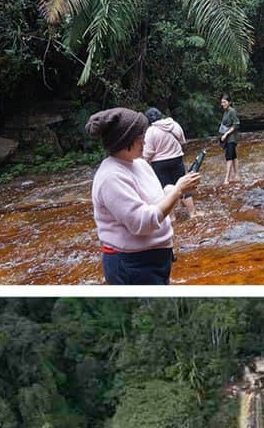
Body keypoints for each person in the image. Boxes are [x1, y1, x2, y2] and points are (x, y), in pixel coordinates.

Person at [87, 107, 201, 285]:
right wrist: (178, 191)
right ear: (124, 141)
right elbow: (142, 223)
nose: (145, 142)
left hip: (153, 258)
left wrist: (177, 188)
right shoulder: (111, 177)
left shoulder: (139, 164)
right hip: (132, 263)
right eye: (140, 138)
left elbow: (156, 200)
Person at [142, 107, 198, 218]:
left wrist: (145, 162)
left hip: (159, 164)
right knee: (184, 186)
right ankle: (192, 212)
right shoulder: (174, 125)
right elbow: (182, 141)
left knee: (164, 190)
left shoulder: (151, 131)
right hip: (177, 159)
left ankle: (171, 218)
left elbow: (148, 152)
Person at [219, 94, 240, 183]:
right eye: (222, 102)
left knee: (229, 158)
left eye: (224, 102)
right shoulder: (226, 111)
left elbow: (236, 124)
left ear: (229, 102)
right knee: (234, 156)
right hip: (227, 137)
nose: (222, 104)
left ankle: (227, 178)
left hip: (231, 138)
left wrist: (226, 134)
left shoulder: (232, 111)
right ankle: (237, 175)